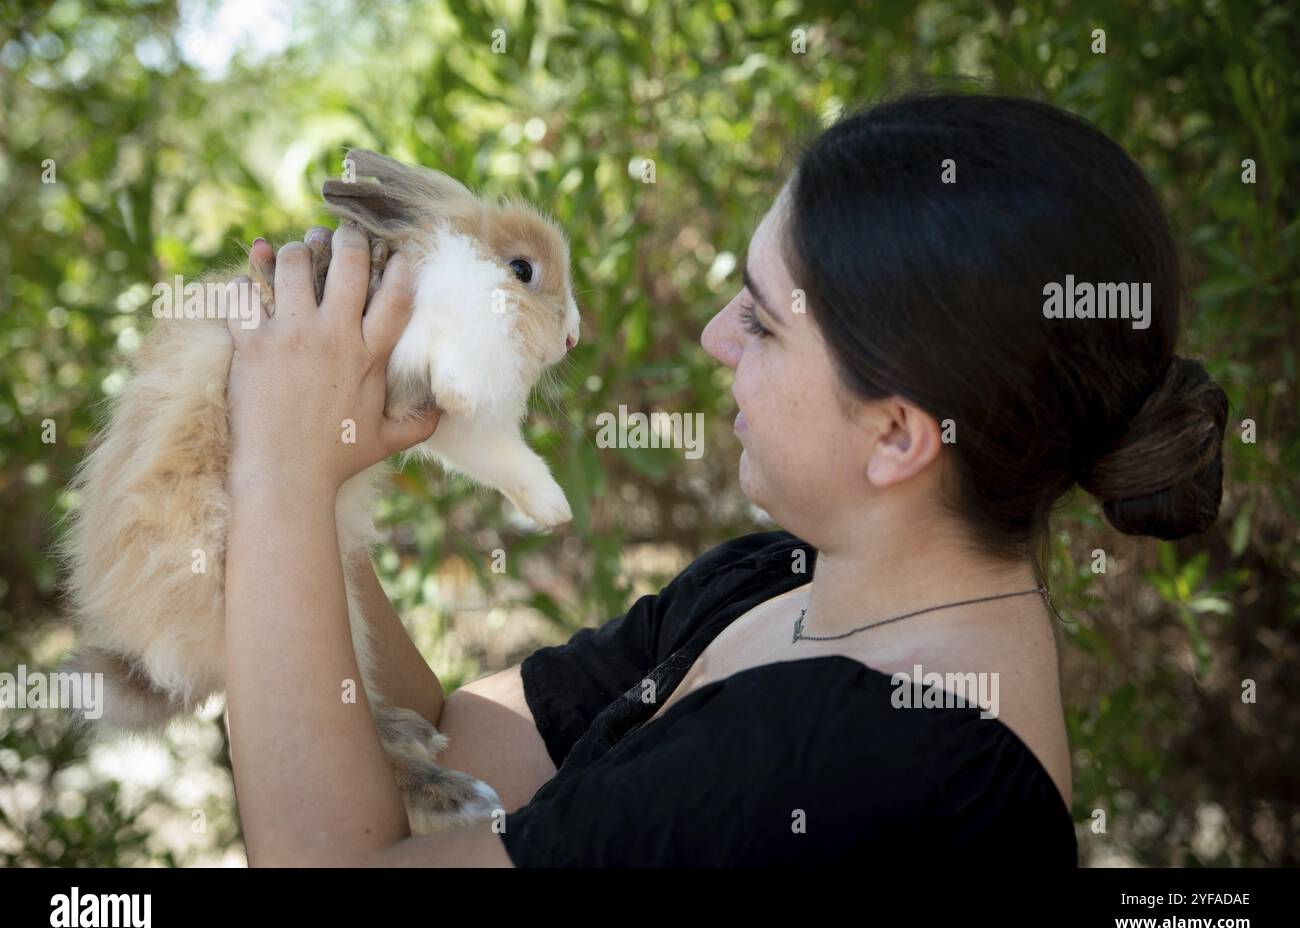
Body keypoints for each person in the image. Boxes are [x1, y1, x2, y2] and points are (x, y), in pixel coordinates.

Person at [221, 91, 1228, 866]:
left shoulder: (871, 763)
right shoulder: (776, 581)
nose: (713, 340)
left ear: (895, 436)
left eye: (761, 321)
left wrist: (276, 472)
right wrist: (324, 464)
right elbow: (445, 745)